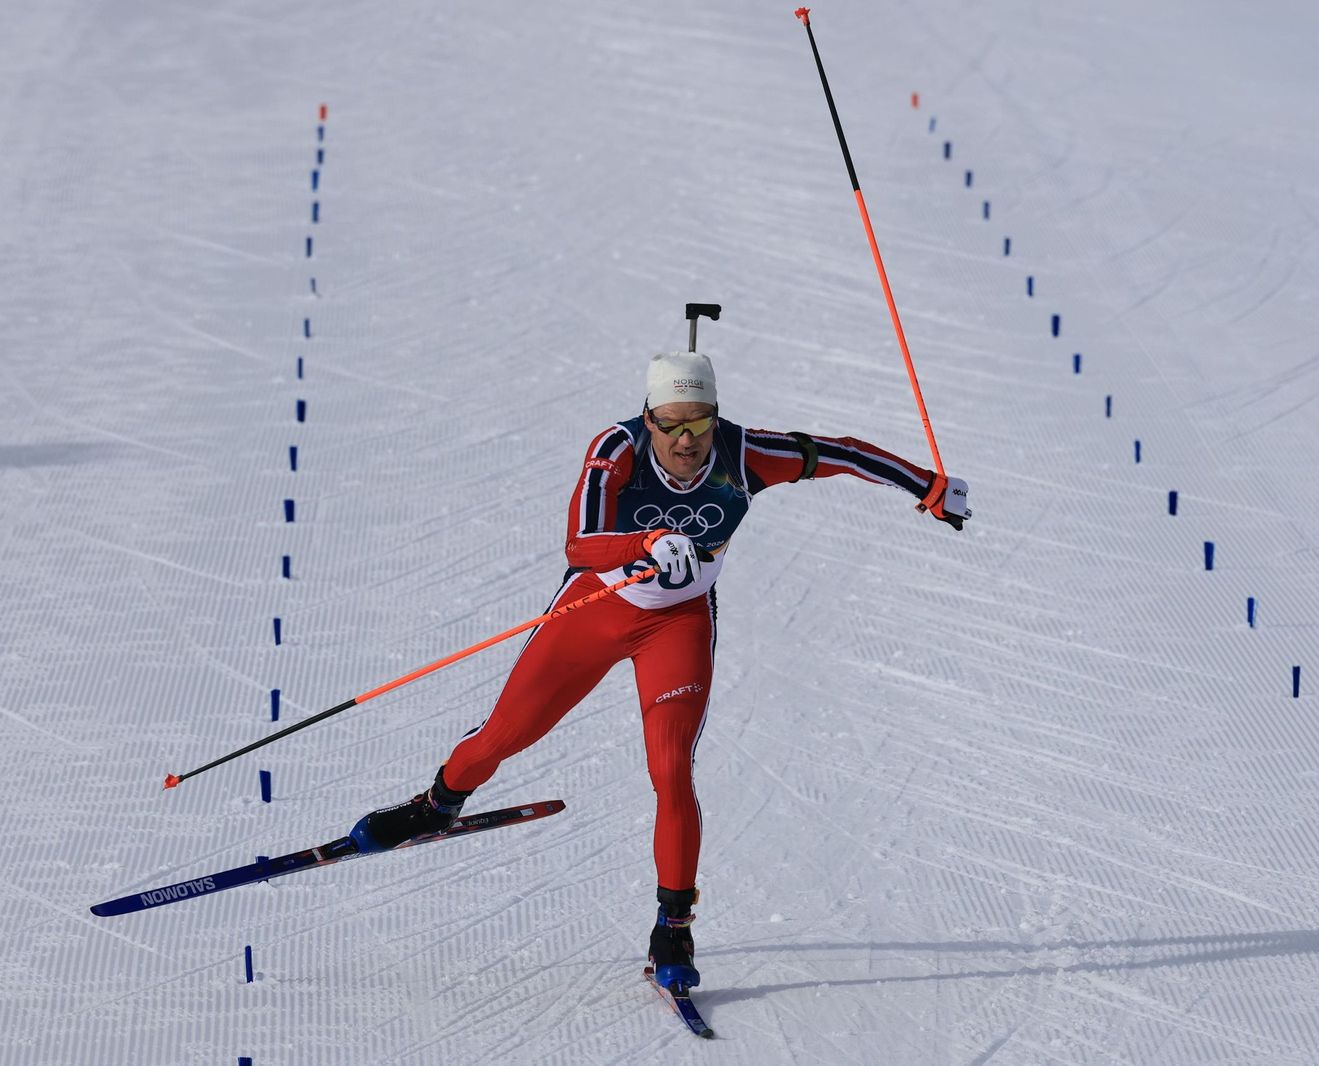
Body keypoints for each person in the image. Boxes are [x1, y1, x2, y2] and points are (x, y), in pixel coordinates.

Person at [349, 349, 969, 992]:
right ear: (648, 419)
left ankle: (673, 926)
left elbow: (839, 454)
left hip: (677, 625)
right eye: (670, 424)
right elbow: (580, 544)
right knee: (505, 734)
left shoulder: (743, 455)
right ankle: (438, 804)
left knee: (671, 769)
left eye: (699, 424)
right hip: (595, 610)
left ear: (715, 418)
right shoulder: (617, 449)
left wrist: (927, 487)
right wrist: (644, 543)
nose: (685, 440)